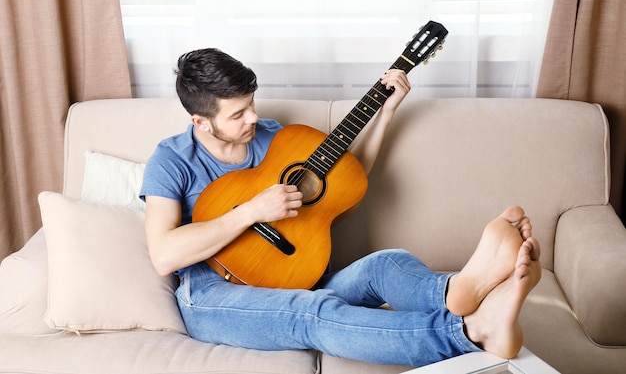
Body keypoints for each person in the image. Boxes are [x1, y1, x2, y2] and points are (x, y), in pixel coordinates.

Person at [140, 48, 542, 367]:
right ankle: (469, 332)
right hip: (214, 293)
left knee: (387, 263)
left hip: (294, 273)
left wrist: (386, 114)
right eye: (239, 113)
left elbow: (342, 183)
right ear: (200, 121)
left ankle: (458, 289)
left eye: (252, 104)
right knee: (312, 312)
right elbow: (164, 255)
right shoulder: (171, 159)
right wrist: (251, 211)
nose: (255, 117)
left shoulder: (274, 138)